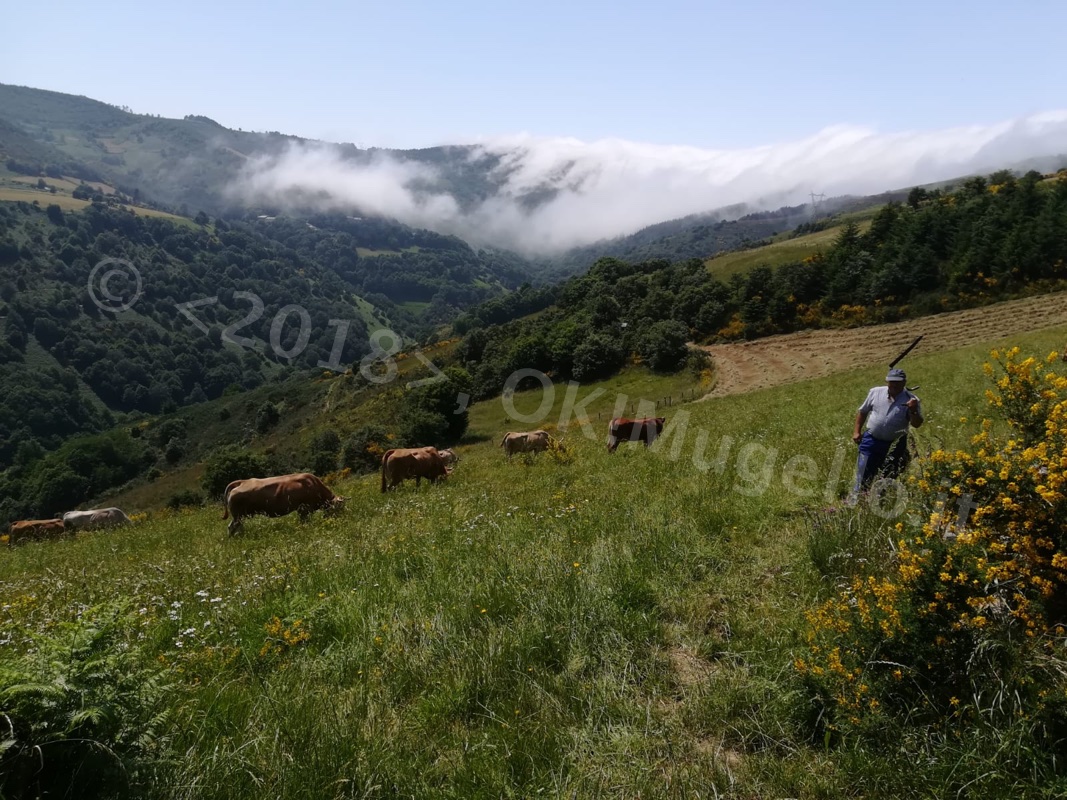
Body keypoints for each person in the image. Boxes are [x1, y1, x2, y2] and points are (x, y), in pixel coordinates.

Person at [851, 367, 923, 496]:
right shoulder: (875, 392)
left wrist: (913, 410)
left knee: (888, 473)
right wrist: (857, 431)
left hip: (895, 444)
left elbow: (916, 424)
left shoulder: (911, 400)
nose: (894, 385)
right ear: (887, 381)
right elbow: (863, 412)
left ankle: (879, 498)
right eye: (891, 381)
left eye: (898, 382)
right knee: (863, 470)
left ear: (904, 383)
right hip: (871, 440)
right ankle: (858, 498)